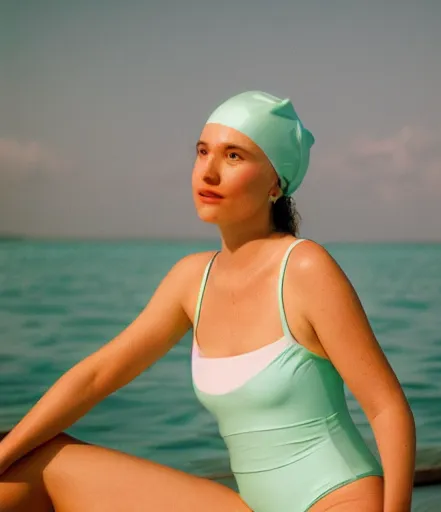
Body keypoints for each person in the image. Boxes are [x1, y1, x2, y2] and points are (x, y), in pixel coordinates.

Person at [0, 91, 416, 512]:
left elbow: (387, 408)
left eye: (234, 156)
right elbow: (96, 376)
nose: (209, 172)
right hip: (249, 507)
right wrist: (6, 450)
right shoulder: (190, 279)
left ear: (276, 181)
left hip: (336, 501)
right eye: (203, 152)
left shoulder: (305, 268)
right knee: (35, 461)